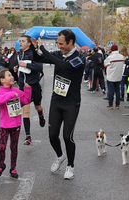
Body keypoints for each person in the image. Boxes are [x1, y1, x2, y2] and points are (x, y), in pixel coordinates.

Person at [37, 29, 86, 179]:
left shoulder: (80, 58)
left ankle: (70, 166)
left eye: (61, 43)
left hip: (71, 103)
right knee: (52, 135)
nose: (59, 46)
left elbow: (65, 67)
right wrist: (31, 48)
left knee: (67, 136)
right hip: (56, 101)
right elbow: (38, 58)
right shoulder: (58, 55)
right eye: (57, 43)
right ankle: (60, 156)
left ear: (71, 42)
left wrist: (44, 49)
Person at [0, 69, 31, 179]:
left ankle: (13, 168)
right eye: (9, 75)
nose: (12, 76)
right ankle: (1, 165)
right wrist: (11, 95)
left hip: (16, 125)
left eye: (11, 75)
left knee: (14, 148)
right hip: (4, 125)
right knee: (1, 147)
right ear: (2, 80)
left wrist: (28, 88)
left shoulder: (17, 91)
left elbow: (26, 100)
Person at [17, 35, 46, 145]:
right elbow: (20, 67)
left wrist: (25, 64)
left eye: (23, 41)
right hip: (22, 87)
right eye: (20, 41)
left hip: (33, 86)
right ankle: (28, 136)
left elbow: (39, 67)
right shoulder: (20, 53)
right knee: (26, 111)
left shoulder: (34, 53)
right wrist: (17, 68)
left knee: (38, 106)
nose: (21, 43)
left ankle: (41, 116)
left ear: (29, 43)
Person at [104, 44, 125, 110]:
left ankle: (110, 105)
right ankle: (117, 105)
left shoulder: (110, 57)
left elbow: (105, 64)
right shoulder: (122, 57)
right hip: (119, 76)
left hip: (111, 76)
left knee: (111, 91)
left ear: (112, 49)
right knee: (118, 91)